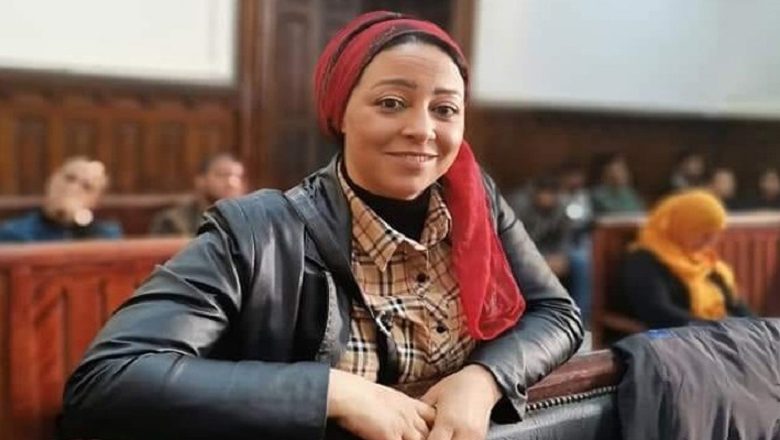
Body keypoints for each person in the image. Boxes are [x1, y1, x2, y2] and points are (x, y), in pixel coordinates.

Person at [60, 11, 583, 440]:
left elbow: (556, 313)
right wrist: (330, 391)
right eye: (391, 103)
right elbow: (110, 378)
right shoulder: (258, 232)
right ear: (341, 113)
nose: (422, 129)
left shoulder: (475, 201)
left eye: (445, 109)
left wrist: (484, 378)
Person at [621, 190, 752, 329]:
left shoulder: (704, 260)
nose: (710, 241)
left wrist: (756, 328)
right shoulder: (644, 260)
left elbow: (734, 304)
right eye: (704, 233)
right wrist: (715, 328)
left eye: (715, 234)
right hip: (678, 336)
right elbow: (657, 312)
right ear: (681, 227)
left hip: (715, 332)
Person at [0, 157, 122, 242]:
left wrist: (81, 225)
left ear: (95, 202)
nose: (73, 188)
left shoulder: (106, 236)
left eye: (87, 186)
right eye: (69, 178)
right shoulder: (13, 232)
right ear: (52, 180)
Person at [149, 152, 246, 236]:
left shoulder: (247, 219)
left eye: (238, 177)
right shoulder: (173, 221)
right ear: (201, 180)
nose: (232, 183)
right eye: (222, 175)